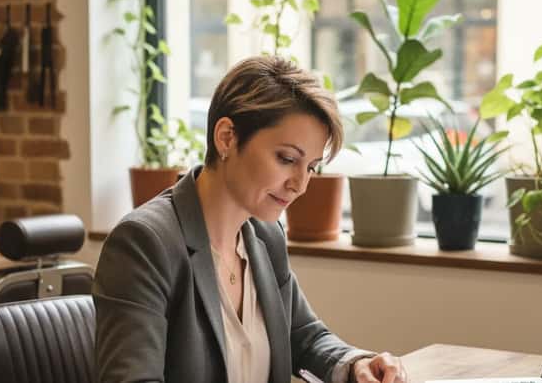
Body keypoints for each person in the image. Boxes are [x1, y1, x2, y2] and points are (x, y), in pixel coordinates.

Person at [94, 56, 408, 383]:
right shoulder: (144, 244)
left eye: (311, 167)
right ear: (227, 137)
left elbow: (303, 334)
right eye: (287, 159)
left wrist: (355, 362)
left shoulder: (264, 235)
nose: (300, 185)